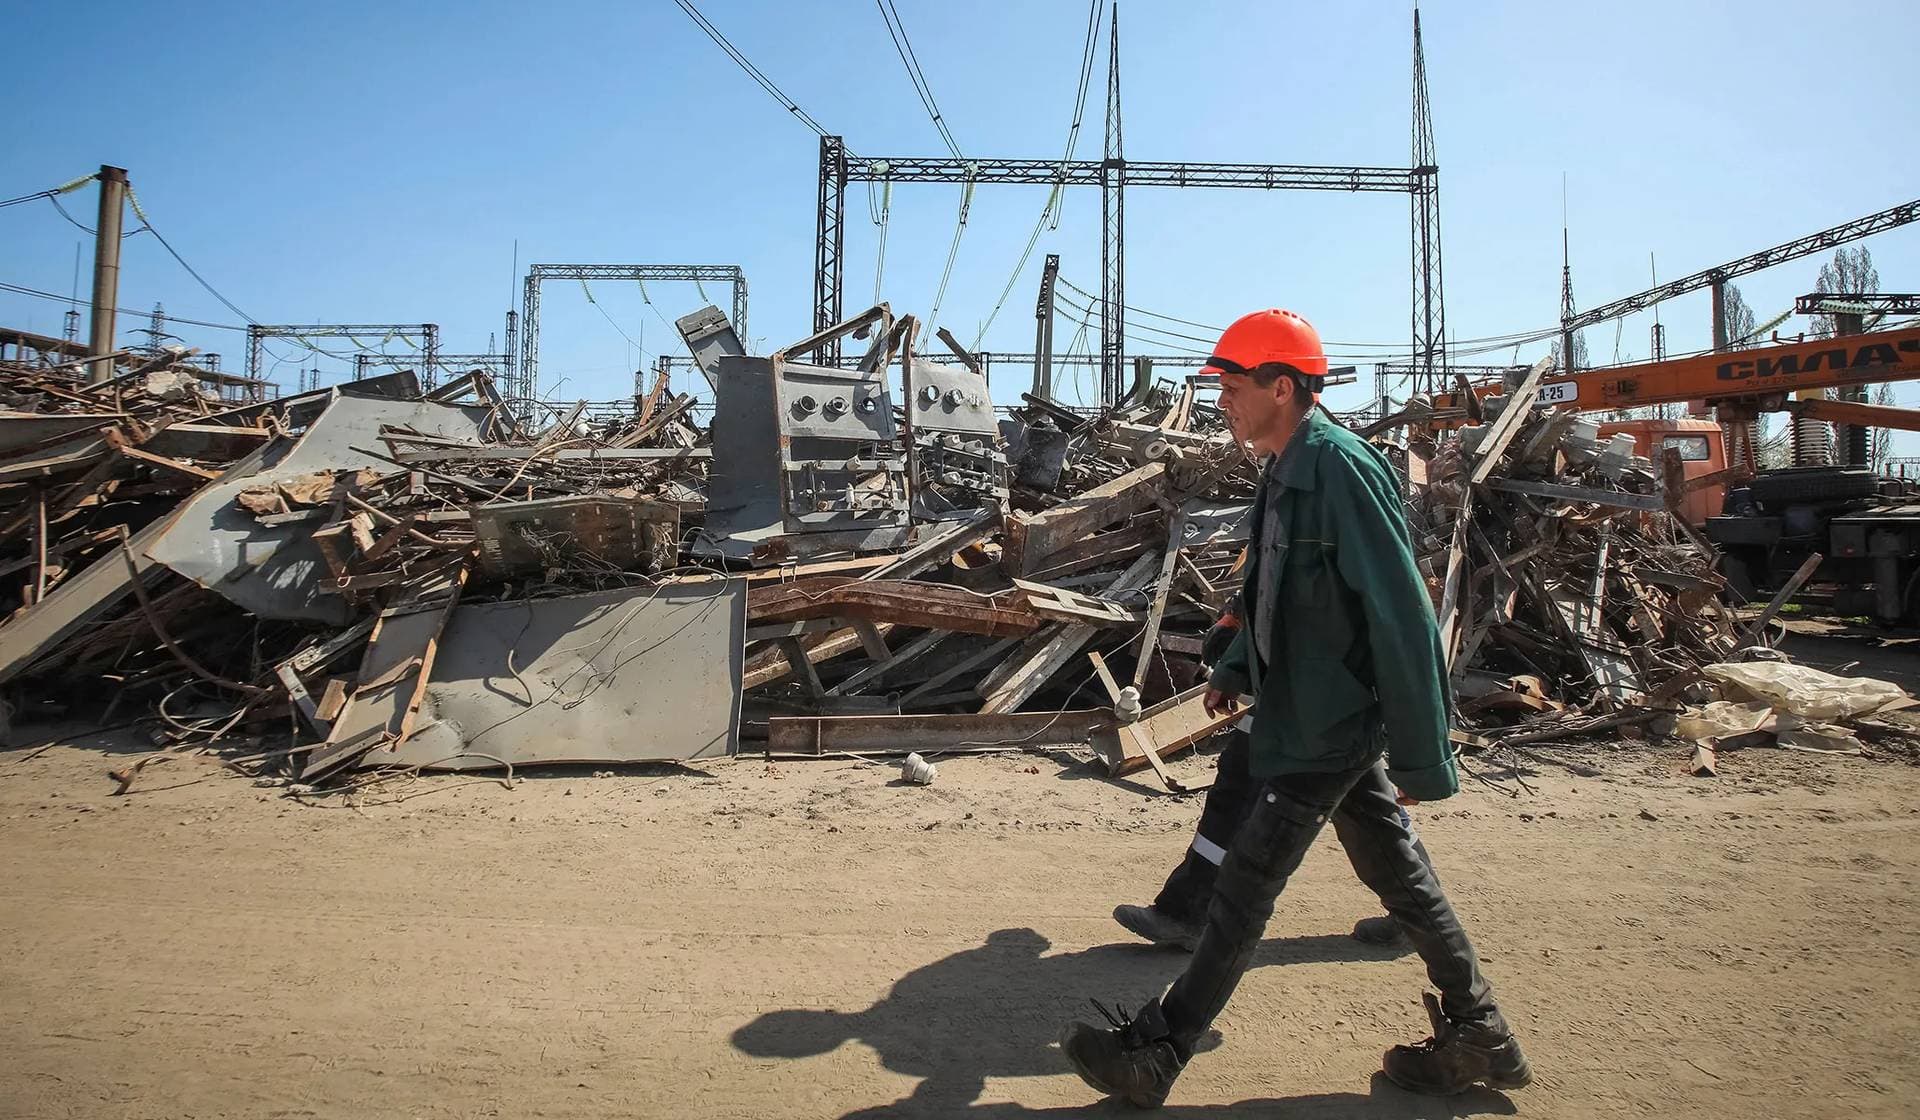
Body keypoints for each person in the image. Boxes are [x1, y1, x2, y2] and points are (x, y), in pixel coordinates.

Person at [1059, 308, 1530, 1107]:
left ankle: (1159, 1050)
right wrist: (1237, 664)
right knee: (1400, 875)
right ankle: (1478, 1031)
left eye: (1234, 386)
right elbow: (1271, 593)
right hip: (1303, 708)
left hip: (1330, 722)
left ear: (1284, 387)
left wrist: (1426, 753)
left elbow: (1402, 612)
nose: (1223, 402)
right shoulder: (1283, 469)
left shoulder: (1341, 470)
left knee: (1244, 888)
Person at [1111, 599, 1406, 952]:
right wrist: (1234, 651)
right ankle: (1417, 915)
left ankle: (1188, 913)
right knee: (1369, 812)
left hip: (1320, 692)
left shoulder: (1351, 545)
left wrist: (1420, 759)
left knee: (1242, 792)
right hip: (1305, 688)